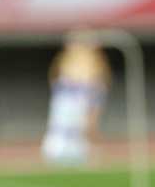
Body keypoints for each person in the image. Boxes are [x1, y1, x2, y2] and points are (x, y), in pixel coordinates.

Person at [41, 30, 111, 166]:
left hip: (82, 104)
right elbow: (55, 77)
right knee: (61, 135)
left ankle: (86, 152)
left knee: (85, 129)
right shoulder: (65, 61)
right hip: (65, 108)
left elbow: (99, 85)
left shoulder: (95, 64)